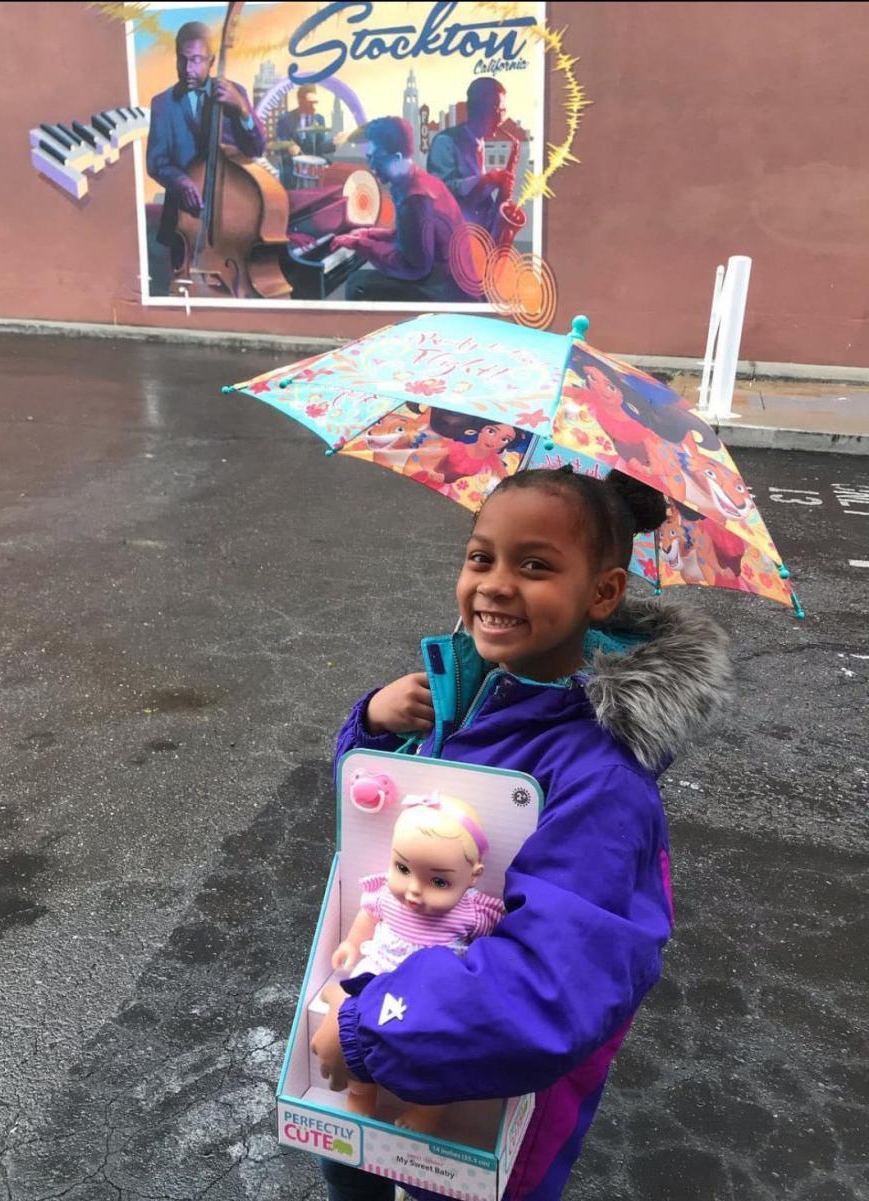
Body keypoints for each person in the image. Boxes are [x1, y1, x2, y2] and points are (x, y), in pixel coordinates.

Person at [311, 465, 733, 1201]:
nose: (496, 583)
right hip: (385, 1005)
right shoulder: (462, 696)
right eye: (482, 557)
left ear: (603, 592)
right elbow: (385, 817)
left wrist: (367, 1029)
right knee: (351, 1167)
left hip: (475, 1089)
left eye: (535, 565)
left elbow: (555, 982)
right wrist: (374, 725)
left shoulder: (602, 778)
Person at [326, 793, 504, 1131]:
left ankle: (428, 1110)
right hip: (378, 976)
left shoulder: (471, 913)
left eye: (438, 881)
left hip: (431, 993)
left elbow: (488, 947)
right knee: (355, 1038)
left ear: (473, 876)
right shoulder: (387, 897)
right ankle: (362, 1092)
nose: (413, 890)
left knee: (431, 1053)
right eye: (403, 868)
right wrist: (351, 943)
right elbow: (369, 914)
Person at [146, 20, 266, 266]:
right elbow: (156, 162)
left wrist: (242, 110)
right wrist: (180, 181)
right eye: (183, 59)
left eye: (197, 60)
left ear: (211, 62)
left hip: (228, 213)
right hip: (182, 219)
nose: (189, 69)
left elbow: (256, 149)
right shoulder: (161, 104)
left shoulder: (234, 93)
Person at [332, 117, 472, 303]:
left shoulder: (416, 199)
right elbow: (408, 238)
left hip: (448, 293)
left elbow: (413, 269)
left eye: (376, 158)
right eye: (369, 158)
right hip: (449, 281)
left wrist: (362, 245)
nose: (371, 166)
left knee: (357, 284)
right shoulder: (416, 181)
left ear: (396, 158)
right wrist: (368, 233)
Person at [427, 77, 514, 233]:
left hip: (476, 236)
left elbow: (474, 194)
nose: (502, 118)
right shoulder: (445, 141)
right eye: (500, 110)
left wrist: (497, 187)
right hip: (454, 237)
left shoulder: (480, 142)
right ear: (483, 109)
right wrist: (486, 180)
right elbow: (439, 192)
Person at [275, 84, 347, 188]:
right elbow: (280, 142)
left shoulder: (319, 119)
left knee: (335, 174)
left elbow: (320, 147)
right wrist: (288, 146)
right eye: (310, 103)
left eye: (315, 102)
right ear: (300, 101)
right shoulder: (286, 119)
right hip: (293, 164)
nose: (314, 107)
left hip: (313, 162)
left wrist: (334, 142)